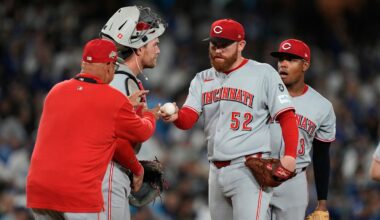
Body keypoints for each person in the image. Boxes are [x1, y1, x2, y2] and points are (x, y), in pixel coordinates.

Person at [161, 19, 299, 220]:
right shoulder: (202, 78)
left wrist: (291, 156)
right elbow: (187, 120)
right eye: (214, 44)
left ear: (241, 45)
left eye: (224, 45)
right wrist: (176, 116)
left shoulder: (263, 74)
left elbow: (287, 116)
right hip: (215, 172)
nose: (218, 50)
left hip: (249, 170)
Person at [26, 38, 160, 220]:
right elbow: (143, 132)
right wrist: (149, 115)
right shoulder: (111, 99)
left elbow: (88, 116)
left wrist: (124, 106)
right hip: (76, 193)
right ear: (108, 66)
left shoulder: (56, 91)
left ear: (83, 64)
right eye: (113, 67)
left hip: (40, 191)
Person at [99, 6, 166, 220]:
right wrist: (136, 168)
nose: (158, 50)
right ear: (139, 48)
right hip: (107, 172)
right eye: (155, 44)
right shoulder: (119, 80)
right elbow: (112, 137)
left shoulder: (117, 77)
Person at [267, 39, 336, 220]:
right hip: (257, 175)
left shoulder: (322, 106)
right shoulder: (261, 93)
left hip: (293, 181)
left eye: (291, 59)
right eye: (281, 58)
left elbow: (321, 156)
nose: (283, 63)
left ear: (305, 65)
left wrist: (322, 202)